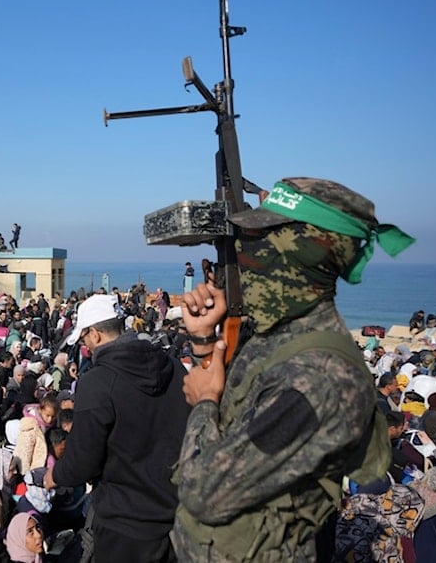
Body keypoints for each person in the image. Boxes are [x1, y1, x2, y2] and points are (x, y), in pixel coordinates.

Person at [171, 177, 414, 561]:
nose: (246, 250)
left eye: (263, 237)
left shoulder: (318, 376)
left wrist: (203, 402)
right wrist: (205, 342)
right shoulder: (278, 340)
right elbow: (232, 423)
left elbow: (205, 493)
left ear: (309, 252)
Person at [43, 293, 190, 562]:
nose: (86, 346)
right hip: (179, 515)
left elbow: (82, 462)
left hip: (125, 523)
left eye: (85, 338)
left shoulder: (96, 384)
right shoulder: (173, 366)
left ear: (96, 335)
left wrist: (55, 475)